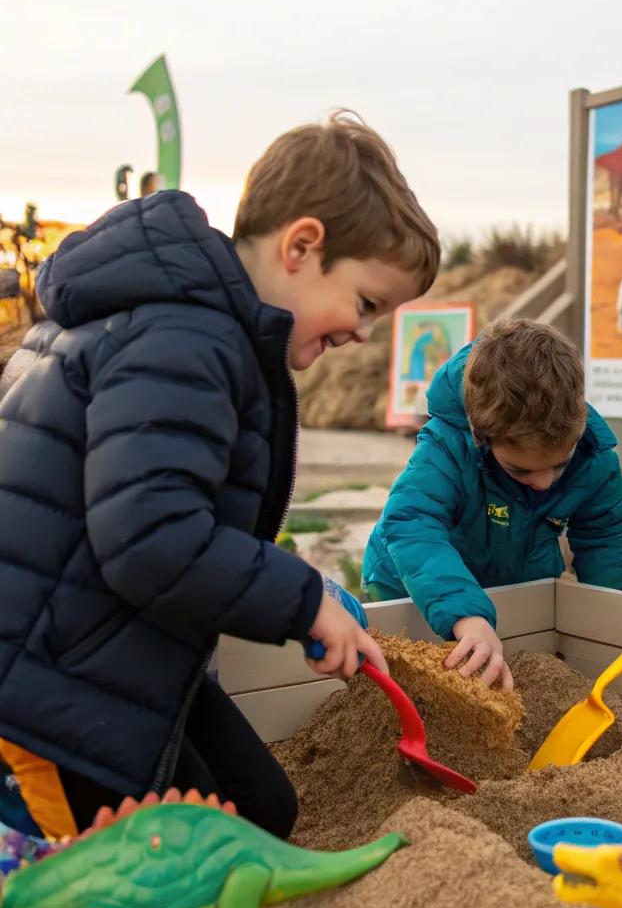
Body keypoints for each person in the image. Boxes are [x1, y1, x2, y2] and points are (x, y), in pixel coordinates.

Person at [0, 111, 440, 840]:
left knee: (260, 812)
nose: (365, 333)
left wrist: (299, 591)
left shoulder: (201, 331)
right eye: (366, 304)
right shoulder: (184, 339)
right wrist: (299, 601)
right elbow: (149, 539)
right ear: (302, 246)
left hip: (114, 646)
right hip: (46, 691)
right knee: (105, 887)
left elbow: (174, 513)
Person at [363, 318, 622, 688]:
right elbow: (412, 524)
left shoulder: (592, 455)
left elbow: (606, 536)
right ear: (481, 435)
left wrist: (604, 623)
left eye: (560, 465)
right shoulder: (448, 446)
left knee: (508, 662)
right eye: (521, 471)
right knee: (419, 681)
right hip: (411, 582)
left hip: (514, 582)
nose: (542, 483)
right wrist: (467, 617)